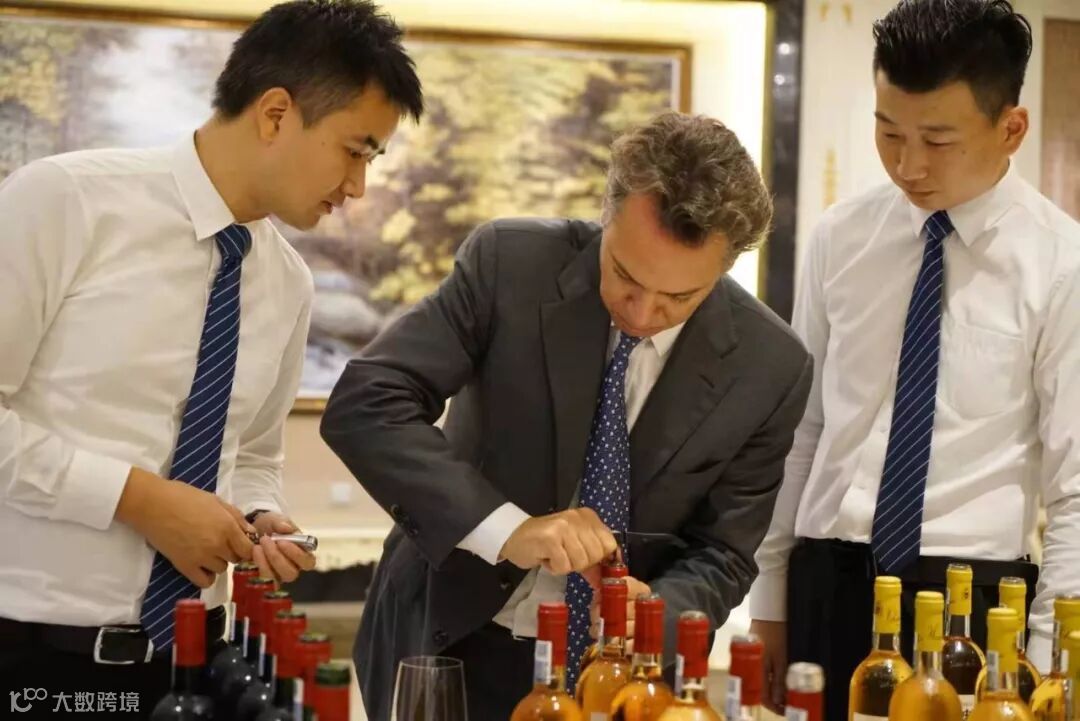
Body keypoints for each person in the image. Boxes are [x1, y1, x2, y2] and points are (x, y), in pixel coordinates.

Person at [0, 0, 422, 716]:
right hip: (37, 662)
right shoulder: (66, 201)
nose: (358, 187)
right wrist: (142, 499)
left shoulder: (288, 282)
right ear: (276, 113)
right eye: (356, 151)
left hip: (200, 669)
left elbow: (252, 452)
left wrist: (262, 514)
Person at [321, 110, 812, 720]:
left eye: (679, 298)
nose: (642, 313)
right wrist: (507, 529)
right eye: (625, 275)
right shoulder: (511, 264)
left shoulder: (771, 366)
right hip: (449, 638)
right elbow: (369, 401)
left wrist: (652, 614)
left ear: (726, 267)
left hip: (616, 678)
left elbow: (724, 552)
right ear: (606, 215)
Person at [747, 1, 1080, 718]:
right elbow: (801, 432)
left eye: (937, 139)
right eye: (889, 132)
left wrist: (1050, 658)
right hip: (828, 577)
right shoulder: (841, 237)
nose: (908, 165)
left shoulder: (1062, 265)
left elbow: (1075, 486)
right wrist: (769, 601)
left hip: (971, 600)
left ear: (1011, 128)